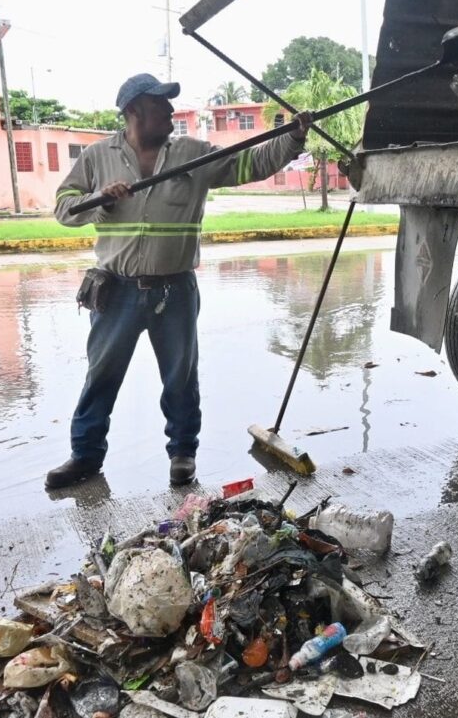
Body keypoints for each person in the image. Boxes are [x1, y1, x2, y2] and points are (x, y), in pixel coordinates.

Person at [47, 73, 310, 489]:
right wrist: (99, 200)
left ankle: (182, 455)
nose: (171, 111)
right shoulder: (97, 157)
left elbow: (250, 163)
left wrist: (292, 138)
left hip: (176, 290)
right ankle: (85, 457)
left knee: (181, 378)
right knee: (101, 377)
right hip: (116, 290)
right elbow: (64, 207)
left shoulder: (193, 154)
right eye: (161, 103)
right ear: (134, 110)